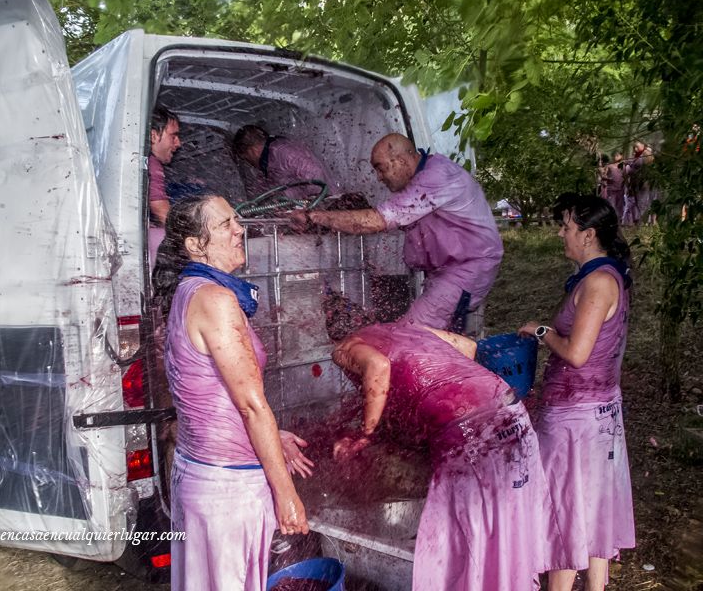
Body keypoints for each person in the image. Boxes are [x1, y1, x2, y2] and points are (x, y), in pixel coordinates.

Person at [153, 194, 310, 590]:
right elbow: (252, 407)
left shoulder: (191, 290)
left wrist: (274, 438)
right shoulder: (215, 300)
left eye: (236, 220)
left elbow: (203, 392)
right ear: (194, 244)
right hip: (227, 490)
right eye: (225, 224)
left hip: (206, 475)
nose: (240, 229)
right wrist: (286, 494)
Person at [331, 322, 552, 591]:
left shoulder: (345, 347)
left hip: (469, 433)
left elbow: (377, 368)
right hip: (511, 413)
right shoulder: (403, 328)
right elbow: (469, 347)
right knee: (505, 522)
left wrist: (364, 433)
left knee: (463, 538)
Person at [519, 193, 635, 591]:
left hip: (578, 418)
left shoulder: (599, 282)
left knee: (566, 516)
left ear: (587, 235)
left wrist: (540, 330)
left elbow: (577, 353)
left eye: (566, 226)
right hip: (595, 410)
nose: (560, 233)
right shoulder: (599, 277)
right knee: (593, 509)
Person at [292, 133, 503, 334]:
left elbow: (377, 221)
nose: (379, 178)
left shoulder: (436, 177)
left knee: (413, 334)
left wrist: (315, 217)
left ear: (401, 160)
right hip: (445, 270)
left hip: (467, 269)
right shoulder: (422, 178)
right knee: (441, 336)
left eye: (381, 168)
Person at [233, 124, 337, 200]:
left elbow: (314, 173)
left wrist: (310, 204)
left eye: (245, 158)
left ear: (252, 150)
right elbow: (264, 190)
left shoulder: (282, 151)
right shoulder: (268, 161)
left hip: (323, 207)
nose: (248, 163)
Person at [147, 107, 182, 269]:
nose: (178, 143)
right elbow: (163, 214)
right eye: (173, 136)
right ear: (153, 136)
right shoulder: (152, 164)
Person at [600, 151, 625, 221]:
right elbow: (603, 176)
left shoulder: (623, 165)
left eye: (617, 155)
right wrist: (608, 179)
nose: (615, 157)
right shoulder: (610, 166)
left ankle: (619, 219)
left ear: (621, 156)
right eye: (614, 155)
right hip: (611, 189)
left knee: (620, 205)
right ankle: (611, 218)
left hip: (620, 189)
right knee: (612, 204)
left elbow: (625, 176)